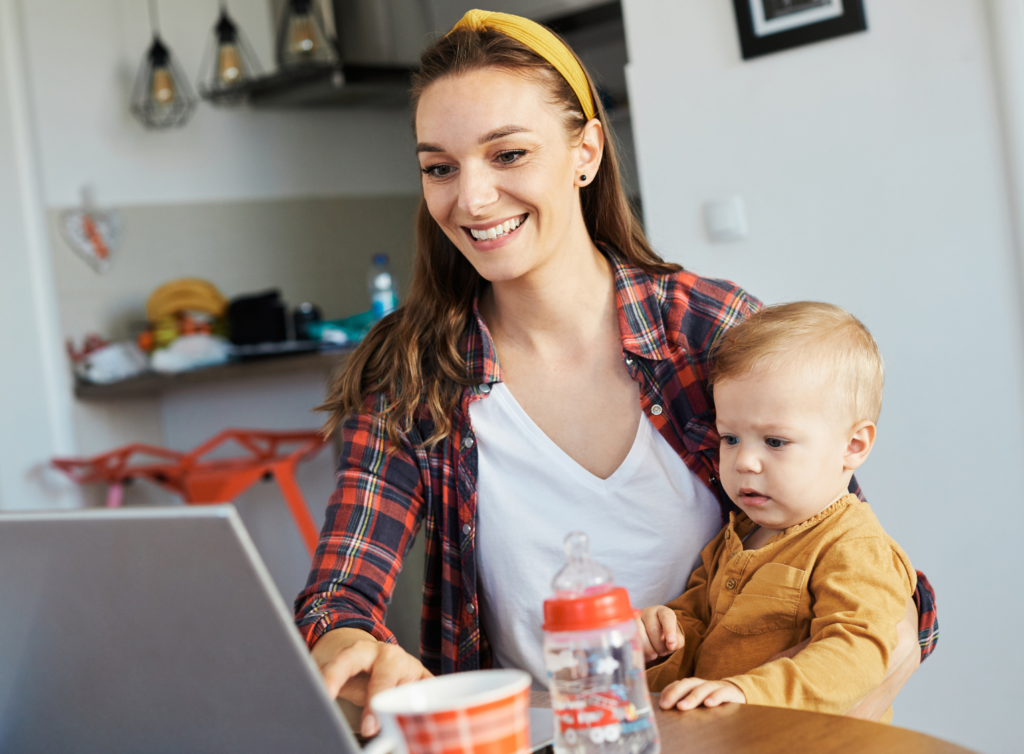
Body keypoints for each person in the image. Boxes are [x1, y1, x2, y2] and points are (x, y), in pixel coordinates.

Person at [293, 10, 938, 738]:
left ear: (585, 152)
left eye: (507, 155)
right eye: (440, 167)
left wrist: (794, 693)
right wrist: (345, 639)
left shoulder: (708, 329)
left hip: (731, 734)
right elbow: (341, 590)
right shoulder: (412, 369)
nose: (470, 199)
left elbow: (860, 569)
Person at [640, 302, 914, 723]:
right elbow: (698, 619)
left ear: (853, 446)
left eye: (774, 442)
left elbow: (855, 651)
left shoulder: (854, 545)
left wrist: (744, 692)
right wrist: (667, 628)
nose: (744, 461)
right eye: (730, 438)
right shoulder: (737, 534)